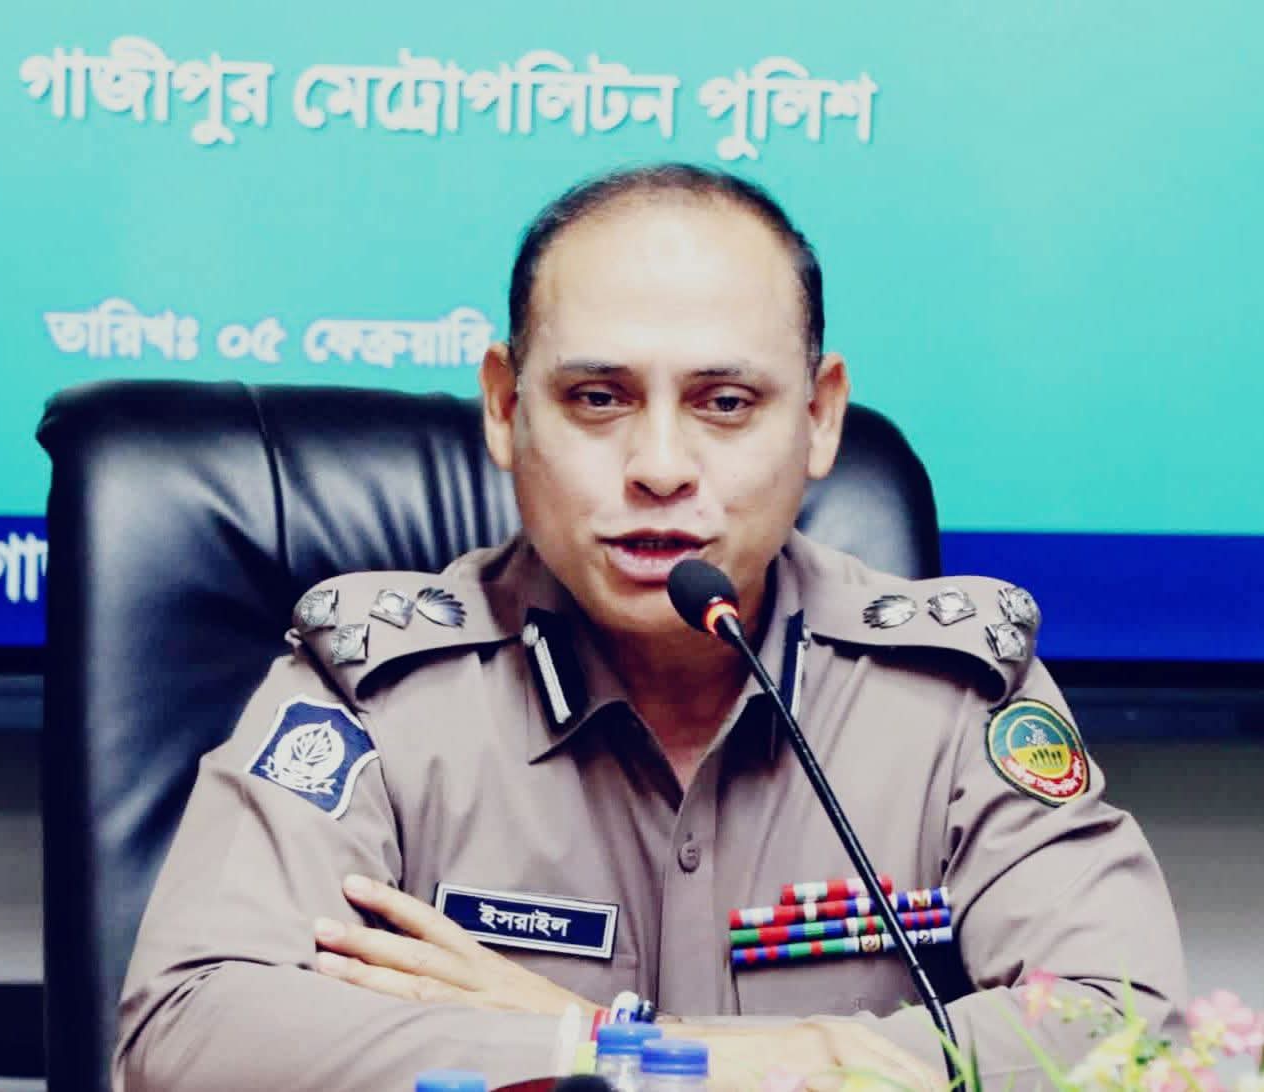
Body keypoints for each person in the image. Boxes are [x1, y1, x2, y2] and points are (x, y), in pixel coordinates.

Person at [114, 164, 1186, 1092]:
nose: (660, 466)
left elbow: (1122, 1033)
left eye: (724, 403)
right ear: (505, 407)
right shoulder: (375, 689)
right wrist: (671, 1057)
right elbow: (189, 1034)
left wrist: (606, 1043)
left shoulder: (952, 695)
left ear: (818, 418)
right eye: (597, 398)